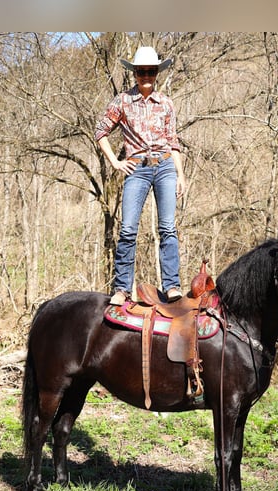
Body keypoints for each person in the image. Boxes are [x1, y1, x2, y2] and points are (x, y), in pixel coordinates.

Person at [94, 46, 186, 306]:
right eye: (141, 71)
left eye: (151, 71)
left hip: (166, 166)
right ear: (134, 73)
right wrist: (115, 162)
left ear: (157, 73)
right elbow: (101, 131)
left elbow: (173, 140)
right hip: (137, 168)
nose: (146, 76)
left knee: (168, 228)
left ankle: (171, 286)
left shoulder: (166, 103)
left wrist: (180, 174)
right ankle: (122, 288)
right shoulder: (122, 101)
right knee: (127, 229)